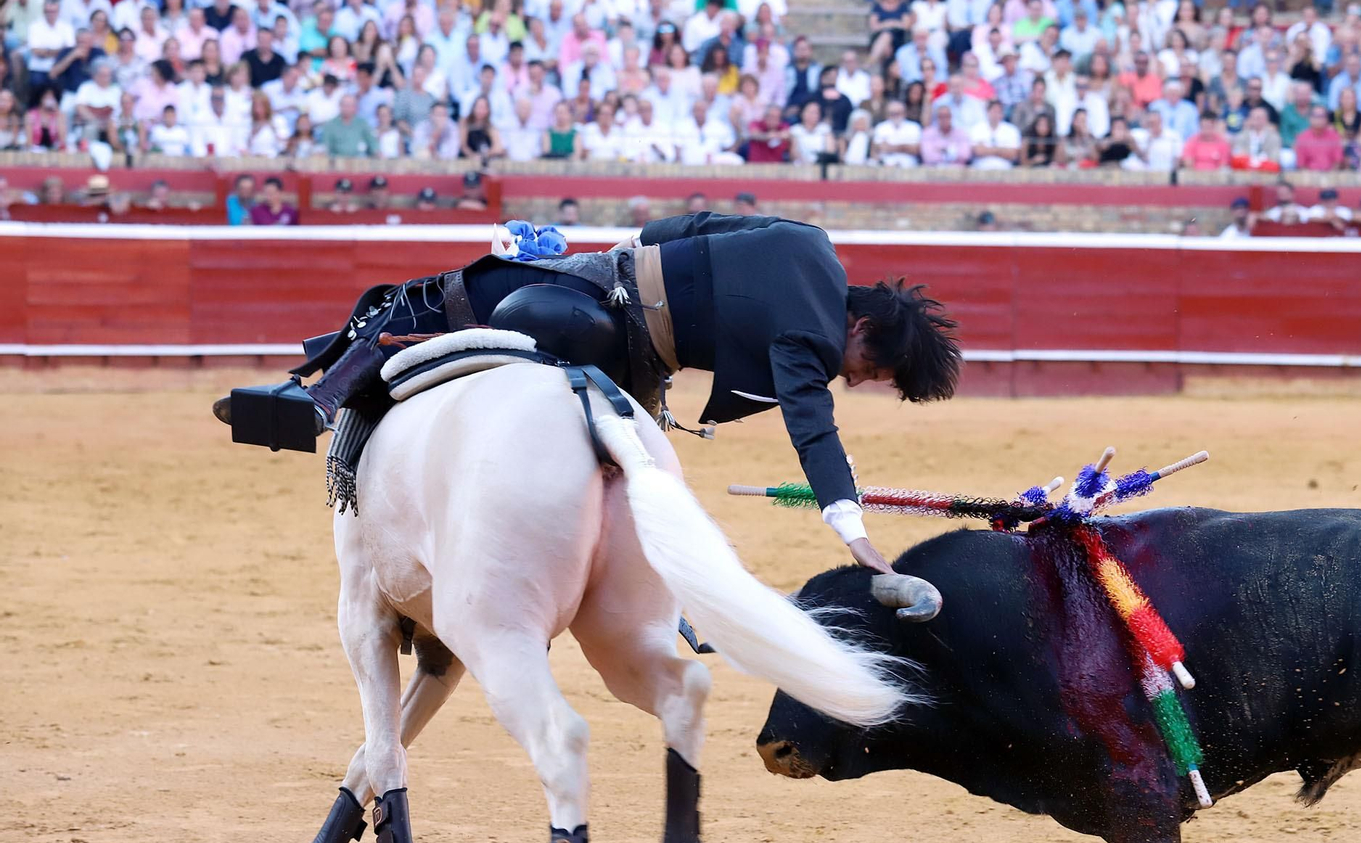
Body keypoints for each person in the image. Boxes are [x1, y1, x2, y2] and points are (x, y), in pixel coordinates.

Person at [212, 212, 963, 572]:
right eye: (871, 364)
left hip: (630, 330)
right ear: (861, 323)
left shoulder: (810, 240)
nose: (857, 377)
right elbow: (815, 430)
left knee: (629, 462)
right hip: (604, 311)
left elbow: (695, 221)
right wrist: (852, 531)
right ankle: (318, 396)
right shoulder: (807, 335)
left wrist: (630, 244)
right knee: (455, 304)